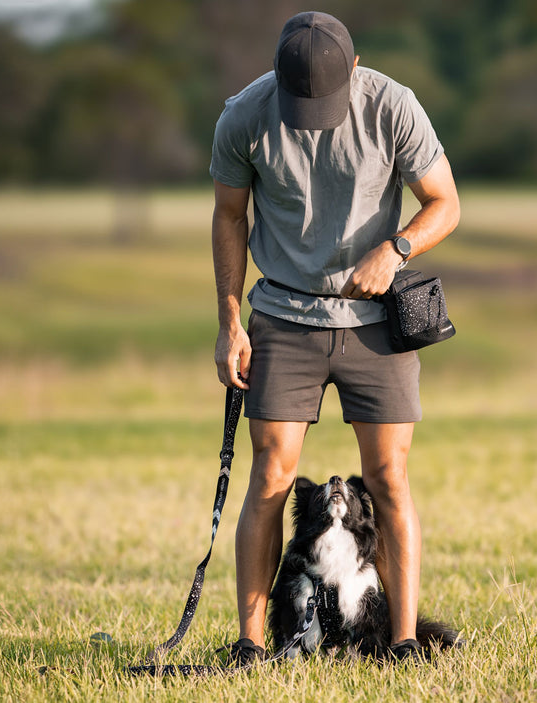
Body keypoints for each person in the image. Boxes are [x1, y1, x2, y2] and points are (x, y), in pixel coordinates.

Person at [210, 11, 459, 665]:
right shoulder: (244, 115)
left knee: (389, 476)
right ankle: (251, 643)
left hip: (375, 323)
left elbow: (445, 201)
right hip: (284, 320)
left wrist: (395, 247)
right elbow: (229, 216)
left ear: (354, 69)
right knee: (270, 476)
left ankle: (402, 641)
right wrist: (230, 322)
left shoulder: (394, 106)